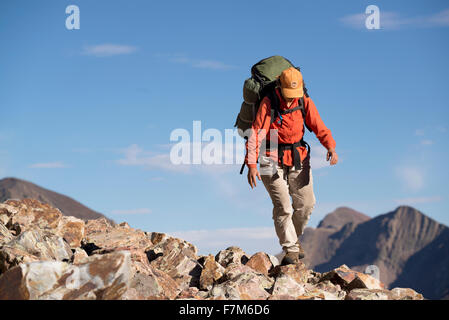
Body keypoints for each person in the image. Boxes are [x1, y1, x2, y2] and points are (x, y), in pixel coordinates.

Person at [245, 67, 338, 266]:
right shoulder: (269, 103)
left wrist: (330, 146)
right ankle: (291, 249)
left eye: (293, 96)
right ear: (279, 87)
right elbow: (255, 134)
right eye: (287, 96)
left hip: (298, 157)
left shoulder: (304, 101)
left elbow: (319, 127)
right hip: (269, 158)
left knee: (306, 205)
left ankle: (293, 240)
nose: (290, 100)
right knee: (283, 207)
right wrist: (251, 164)